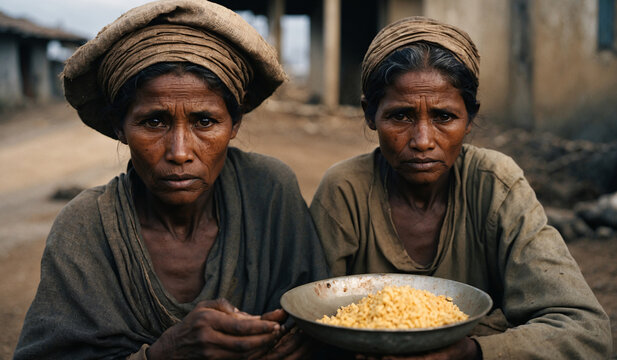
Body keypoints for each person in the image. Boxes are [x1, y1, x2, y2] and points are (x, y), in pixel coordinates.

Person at [14, 1, 329, 359]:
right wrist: (167, 352)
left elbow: (322, 318)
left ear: (235, 124)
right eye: (154, 122)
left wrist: (300, 342)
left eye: (205, 122)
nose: (179, 152)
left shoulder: (269, 191)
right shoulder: (86, 228)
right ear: (120, 128)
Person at [310, 16, 612, 359]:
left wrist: (473, 352)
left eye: (444, 117)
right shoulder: (345, 190)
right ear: (369, 114)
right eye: (401, 116)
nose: (423, 141)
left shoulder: (495, 185)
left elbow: (587, 331)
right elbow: (311, 319)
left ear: (469, 117)